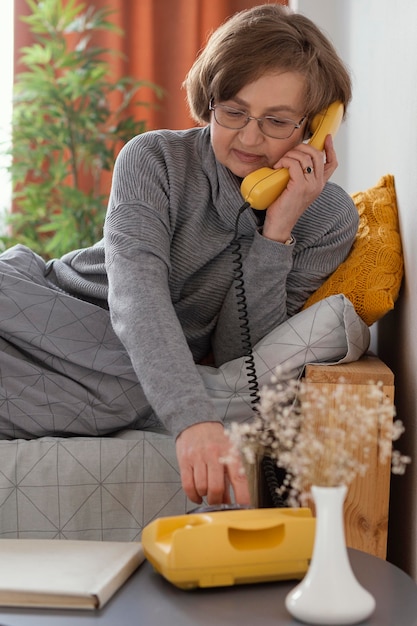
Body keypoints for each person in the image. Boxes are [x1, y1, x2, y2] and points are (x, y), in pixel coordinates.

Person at [0, 4, 357, 507]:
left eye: (277, 121)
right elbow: (136, 293)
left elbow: (239, 355)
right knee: (123, 389)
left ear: (317, 126)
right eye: (232, 111)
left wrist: (276, 231)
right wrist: (193, 418)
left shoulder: (327, 220)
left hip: (117, 367)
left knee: (123, 391)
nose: (250, 138)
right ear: (209, 100)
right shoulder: (153, 159)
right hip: (43, 307)